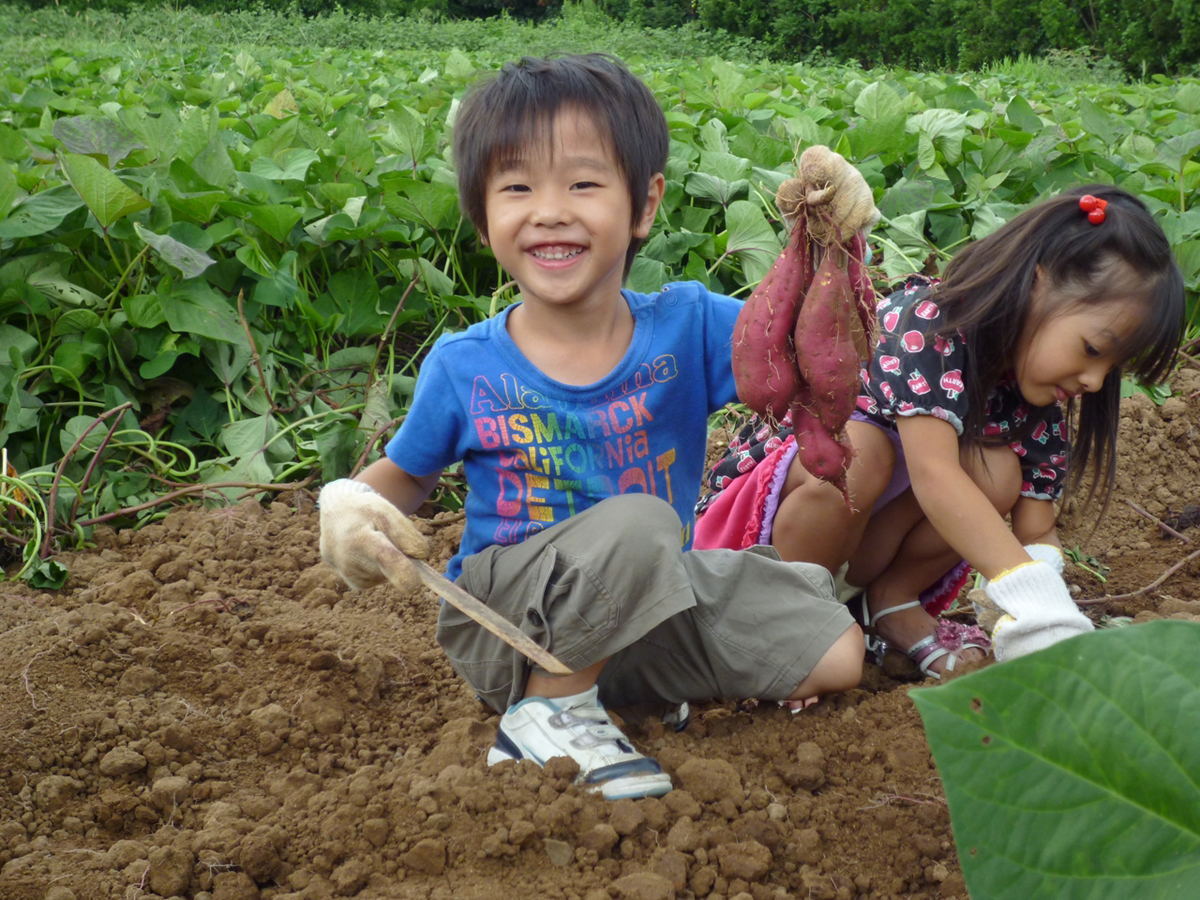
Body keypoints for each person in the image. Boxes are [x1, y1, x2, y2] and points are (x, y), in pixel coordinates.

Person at [316, 54, 866, 801]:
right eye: (517, 188)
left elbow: (807, 352)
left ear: (644, 205)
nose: (549, 210)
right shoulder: (466, 365)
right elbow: (408, 476)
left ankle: (610, 694)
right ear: (481, 217)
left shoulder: (690, 325)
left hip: (644, 600)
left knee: (835, 651)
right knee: (642, 522)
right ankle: (548, 712)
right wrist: (350, 504)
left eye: (582, 184)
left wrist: (834, 241)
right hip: (508, 625)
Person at [696, 184, 1184, 677]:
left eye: (1112, 368)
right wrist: (1035, 603)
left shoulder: (1034, 400)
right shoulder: (927, 324)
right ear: (1038, 281)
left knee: (997, 473)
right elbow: (935, 476)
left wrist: (1049, 615)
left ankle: (888, 603)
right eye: (1093, 350)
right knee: (863, 454)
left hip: (856, 552)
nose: (1094, 381)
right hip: (770, 539)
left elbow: (1036, 529)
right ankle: (774, 618)